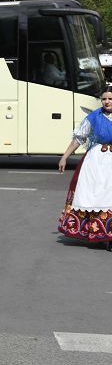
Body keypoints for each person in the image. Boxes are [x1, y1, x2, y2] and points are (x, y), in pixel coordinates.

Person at [58, 88, 112, 248]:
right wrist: (64, 156)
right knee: (96, 196)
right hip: (96, 161)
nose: (107, 101)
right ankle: (100, 234)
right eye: (104, 99)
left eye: (110, 98)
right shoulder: (94, 117)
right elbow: (79, 138)